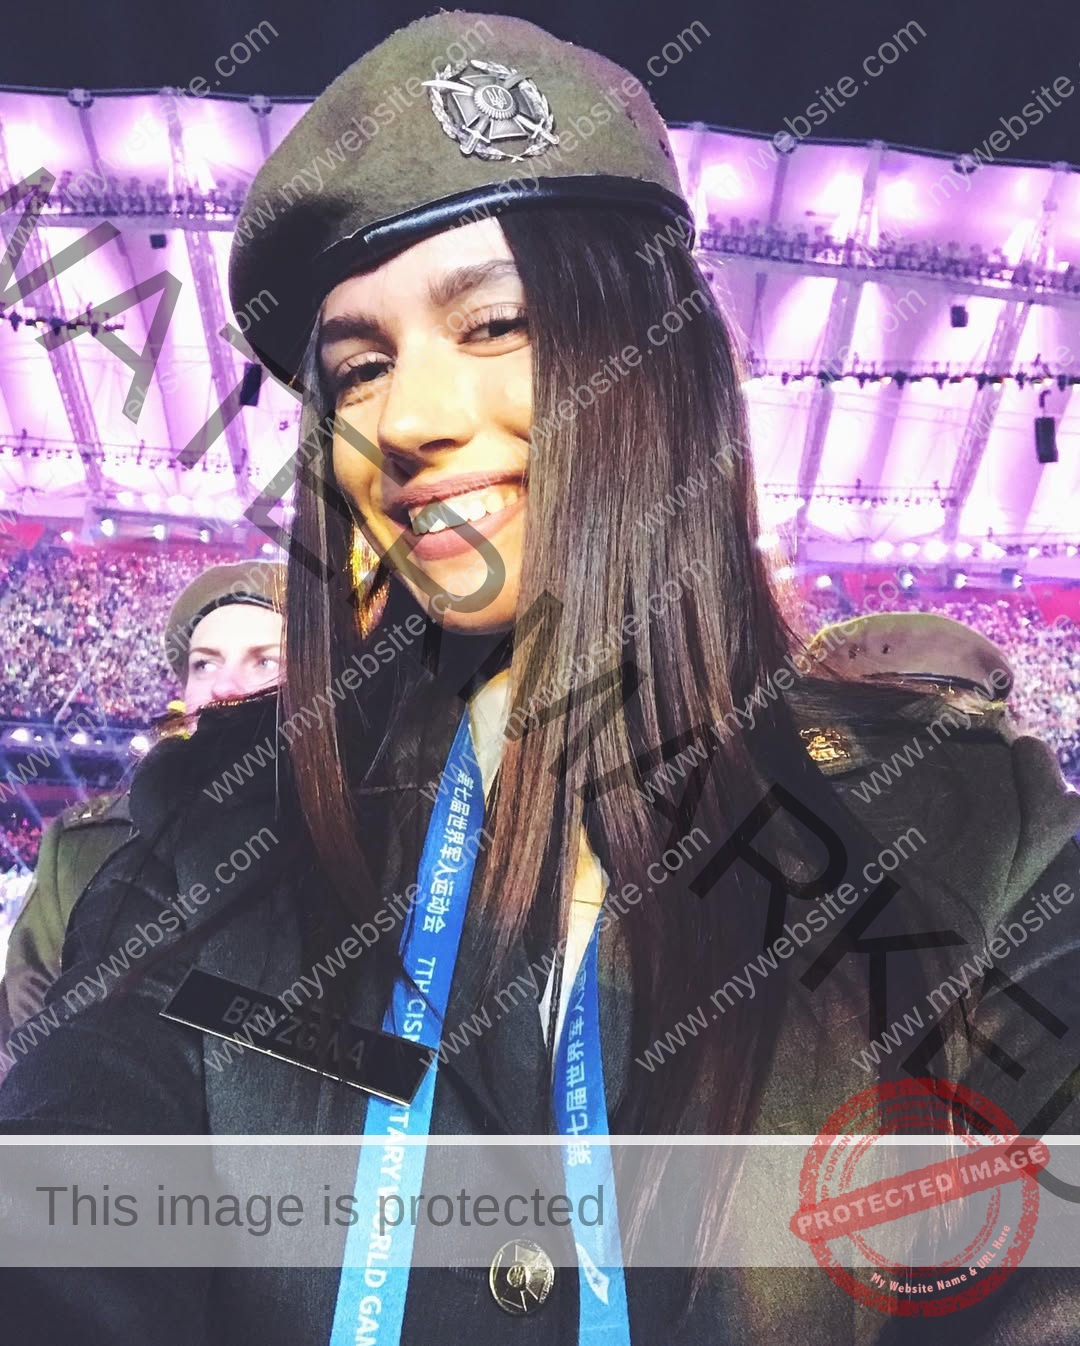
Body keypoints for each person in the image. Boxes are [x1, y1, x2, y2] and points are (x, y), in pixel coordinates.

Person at [1, 13, 1078, 1344]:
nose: (406, 419)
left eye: (495, 323)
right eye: (360, 369)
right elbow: (69, 1194)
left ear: (661, 363)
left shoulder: (972, 833)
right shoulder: (215, 825)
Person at [0, 560, 285, 1059]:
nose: (224, 687)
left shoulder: (377, 838)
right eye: (204, 664)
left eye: (265, 662)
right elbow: (23, 1041)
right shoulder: (84, 849)